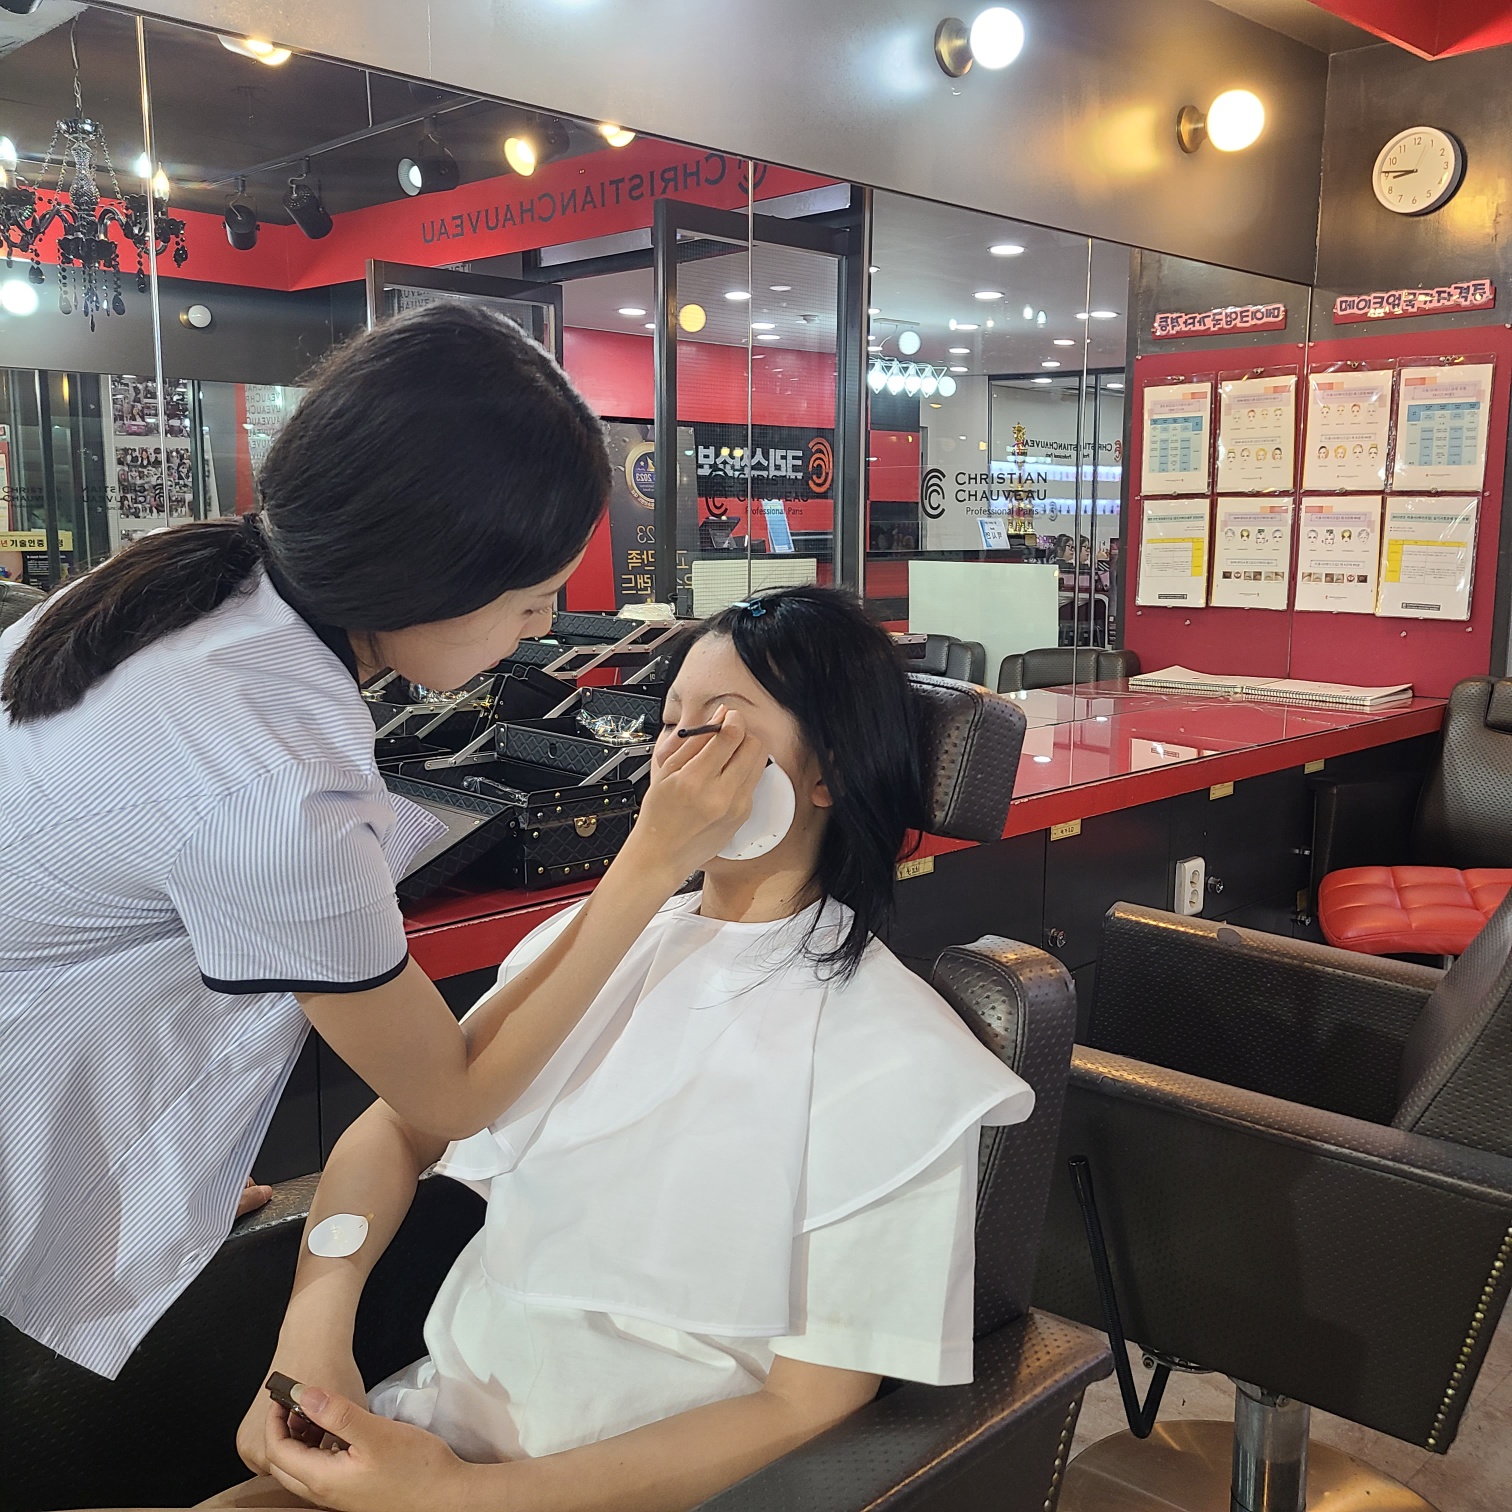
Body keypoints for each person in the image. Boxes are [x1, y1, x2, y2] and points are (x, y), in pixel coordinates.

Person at [0, 305, 764, 1381]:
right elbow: (448, 1099)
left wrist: (164, 1167)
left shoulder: (172, 592)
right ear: (430, 577)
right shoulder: (275, 775)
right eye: (533, 600)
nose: (543, 630)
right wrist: (654, 856)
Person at [215, 586, 1033, 1512]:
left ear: (829, 772)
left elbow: (809, 1406)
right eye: (669, 722)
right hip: (422, 1436)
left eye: (717, 727)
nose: (674, 759)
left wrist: (466, 1498)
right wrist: (315, 1325)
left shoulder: (892, 1055)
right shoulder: (589, 949)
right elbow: (402, 1126)